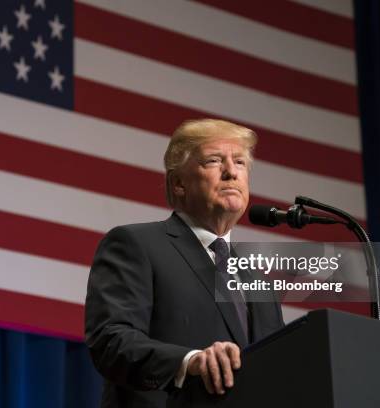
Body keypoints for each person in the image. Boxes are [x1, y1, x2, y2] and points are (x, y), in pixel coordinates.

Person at [85, 119, 284, 408]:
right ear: (179, 183)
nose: (231, 172)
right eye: (214, 161)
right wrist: (189, 362)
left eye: (239, 162)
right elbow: (111, 341)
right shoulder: (136, 244)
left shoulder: (259, 282)